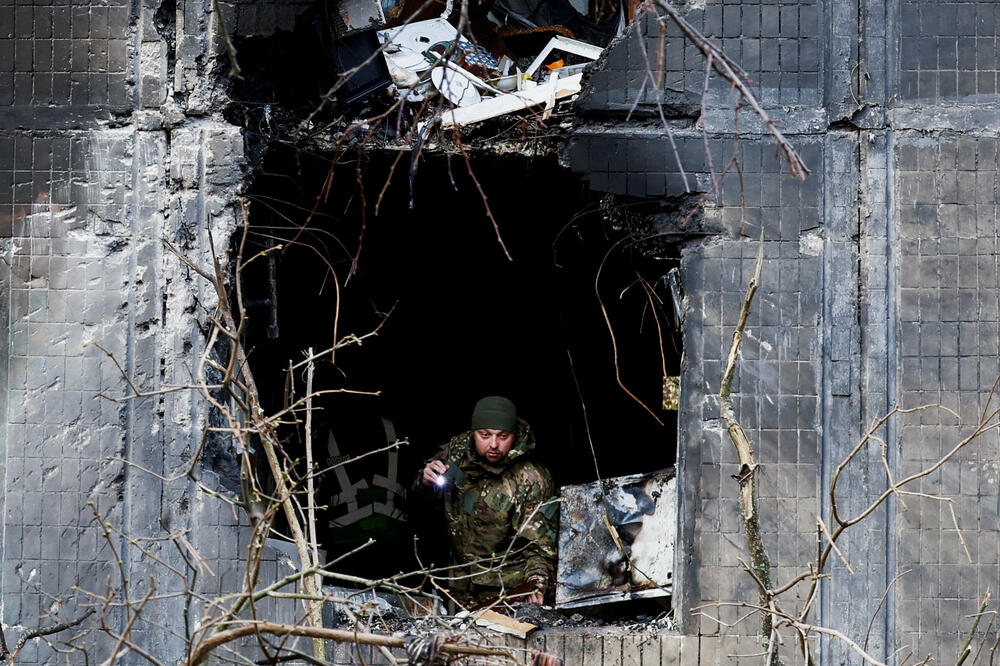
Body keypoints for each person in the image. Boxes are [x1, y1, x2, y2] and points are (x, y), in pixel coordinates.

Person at [416, 396, 557, 607]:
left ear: (515, 435)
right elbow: (418, 509)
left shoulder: (530, 478)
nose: (493, 444)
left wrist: (537, 584)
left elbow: (539, 547)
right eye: (485, 435)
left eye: (503, 436)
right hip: (457, 589)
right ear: (473, 433)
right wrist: (423, 481)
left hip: (507, 595)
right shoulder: (453, 457)